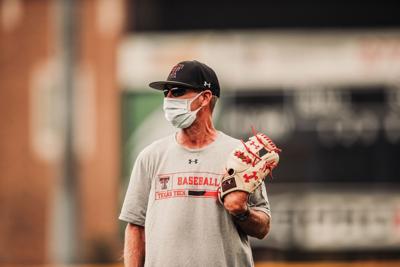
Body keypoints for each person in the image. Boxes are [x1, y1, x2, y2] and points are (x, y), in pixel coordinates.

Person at [119, 60, 271, 267]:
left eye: (177, 91)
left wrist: (242, 212)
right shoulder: (151, 156)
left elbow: (262, 228)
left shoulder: (239, 154)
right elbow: (136, 227)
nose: (169, 98)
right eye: (166, 93)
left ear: (205, 98)